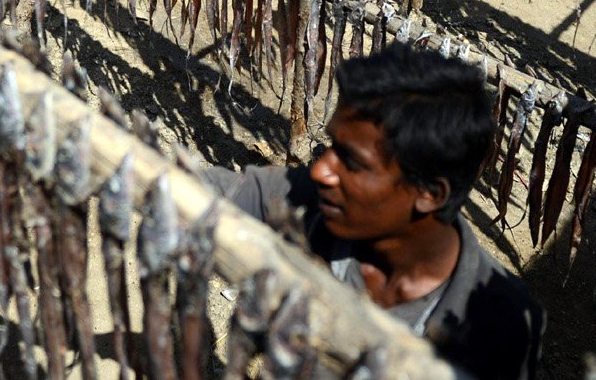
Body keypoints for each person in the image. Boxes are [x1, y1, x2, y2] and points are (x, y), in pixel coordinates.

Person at [204, 43, 543, 380]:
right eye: (331, 146)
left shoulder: (499, 324)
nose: (321, 170)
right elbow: (203, 187)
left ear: (429, 193)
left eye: (351, 162)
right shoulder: (310, 200)